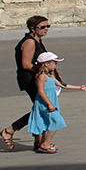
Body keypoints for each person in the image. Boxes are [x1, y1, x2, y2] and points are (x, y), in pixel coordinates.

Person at [4, 15, 52, 149]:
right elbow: (25, 65)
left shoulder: (37, 39)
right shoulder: (30, 42)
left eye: (48, 26)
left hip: (35, 78)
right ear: (32, 28)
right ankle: (10, 130)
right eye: (42, 27)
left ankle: (38, 142)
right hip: (29, 79)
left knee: (40, 109)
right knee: (43, 109)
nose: (46, 29)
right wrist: (43, 70)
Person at [22, 52, 70, 153]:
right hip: (45, 103)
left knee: (46, 122)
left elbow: (62, 85)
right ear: (46, 64)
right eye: (54, 63)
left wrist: (80, 87)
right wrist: (49, 104)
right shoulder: (41, 77)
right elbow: (41, 91)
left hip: (50, 102)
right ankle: (45, 144)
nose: (55, 65)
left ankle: (43, 143)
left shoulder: (50, 76)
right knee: (57, 121)